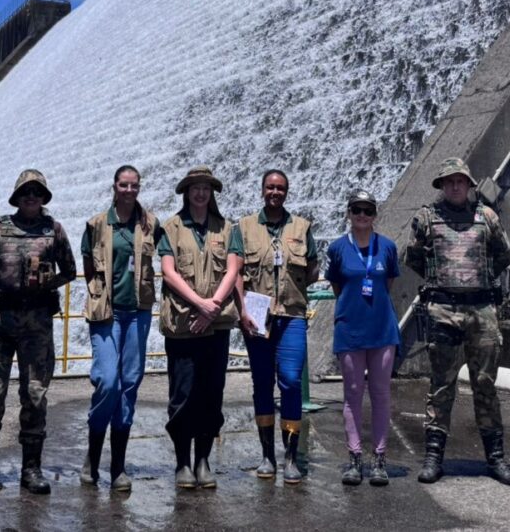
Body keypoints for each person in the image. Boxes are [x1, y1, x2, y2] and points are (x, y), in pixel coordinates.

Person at [405, 157, 510, 486]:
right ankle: (433, 458)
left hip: (482, 312)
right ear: (442, 185)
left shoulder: (487, 217)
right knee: (441, 387)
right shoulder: (426, 219)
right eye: (449, 181)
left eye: (461, 181)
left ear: (469, 185)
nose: (455, 186)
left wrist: (478, 281)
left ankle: (496, 459)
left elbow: (504, 255)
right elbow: (413, 257)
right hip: (443, 311)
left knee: (486, 386)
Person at [0, 169, 76, 498]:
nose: (31, 197)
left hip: (38, 325)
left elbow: (69, 270)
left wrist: (45, 287)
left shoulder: (54, 230)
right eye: (26, 192)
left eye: (37, 192)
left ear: (43, 197)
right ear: (17, 197)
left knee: (36, 396)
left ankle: (32, 469)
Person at [157, 165, 243, 490]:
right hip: (182, 324)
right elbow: (169, 272)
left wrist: (213, 307)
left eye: (206, 187)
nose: (201, 192)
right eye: (195, 187)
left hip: (216, 326)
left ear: (213, 192)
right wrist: (200, 303)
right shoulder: (171, 228)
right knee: (182, 395)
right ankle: (182, 462)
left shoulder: (228, 228)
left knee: (211, 394)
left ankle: (203, 460)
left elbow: (233, 269)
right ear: (186, 191)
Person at [78, 165, 162, 492]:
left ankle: (117, 467)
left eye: (134, 185)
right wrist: (99, 291)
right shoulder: (98, 224)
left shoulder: (150, 223)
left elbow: (167, 257)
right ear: (114, 186)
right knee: (108, 381)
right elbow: (87, 262)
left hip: (138, 313)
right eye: (123, 185)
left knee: (129, 384)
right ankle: (92, 455)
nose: (129, 190)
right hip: (107, 314)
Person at [235, 169, 319, 484]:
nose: (275, 192)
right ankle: (267, 456)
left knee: (291, 380)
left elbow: (312, 269)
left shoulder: (301, 227)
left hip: (292, 315)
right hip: (256, 317)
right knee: (261, 383)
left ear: (287, 192)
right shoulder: (243, 228)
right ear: (262, 190)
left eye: (280, 188)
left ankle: (290, 458)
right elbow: (235, 273)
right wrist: (242, 311)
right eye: (270, 187)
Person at [324, 189, 400, 487]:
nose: (362, 215)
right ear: (349, 213)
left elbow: (388, 282)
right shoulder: (337, 249)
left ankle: (380, 458)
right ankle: (355, 457)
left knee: (381, 394)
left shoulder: (388, 247)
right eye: (357, 210)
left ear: (374, 215)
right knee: (352, 393)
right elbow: (337, 287)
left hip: (382, 329)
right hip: (350, 329)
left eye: (368, 210)